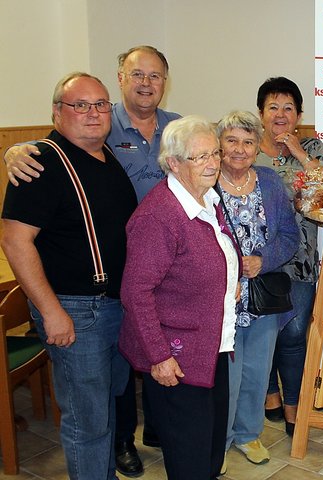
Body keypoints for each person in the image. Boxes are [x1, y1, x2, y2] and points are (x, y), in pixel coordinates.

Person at [3, 45, 180, 477]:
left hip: (116, 305)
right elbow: (14, 240)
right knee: (88, 423)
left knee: (109, 403)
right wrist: (51, 312)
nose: (93, 112)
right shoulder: (41, 162)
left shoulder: (106, 159)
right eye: (80, 105)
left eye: (99, 104)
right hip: (77, 311)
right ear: (56, 112)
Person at [118, 116, 240, 480]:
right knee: (190, 459)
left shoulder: (207, 200)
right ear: (173, 163)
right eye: (199, 157)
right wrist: (159, 356)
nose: (213, 163)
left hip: (211, 345)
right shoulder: (160, 216)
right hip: (177, 356)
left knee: (211, 448)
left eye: (215, 153)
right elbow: (135, 291)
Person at [216, 111, 299, 468]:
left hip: (263, 296)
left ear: (256, 148)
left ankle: (249, 435)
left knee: (256, 371)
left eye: (248, 142)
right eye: (232, 140)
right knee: (225, 377)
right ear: (218, 146)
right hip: (221, 299)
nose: (240, 149)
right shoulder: (205, 182)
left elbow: (290, 236)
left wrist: (262, 261)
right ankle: (217, 442)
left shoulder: (269, 181)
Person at [254, 76, 323, 435]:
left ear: (299, 115)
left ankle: (294, 403)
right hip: (254, 258)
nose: (281, 114)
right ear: (261, 113)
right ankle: (269, 393)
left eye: (289, 108)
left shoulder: (313, 148)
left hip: (300, 257)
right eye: (273, 107)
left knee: (294, 331)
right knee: (259, 326)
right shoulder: (246, 148)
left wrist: (298, 151)